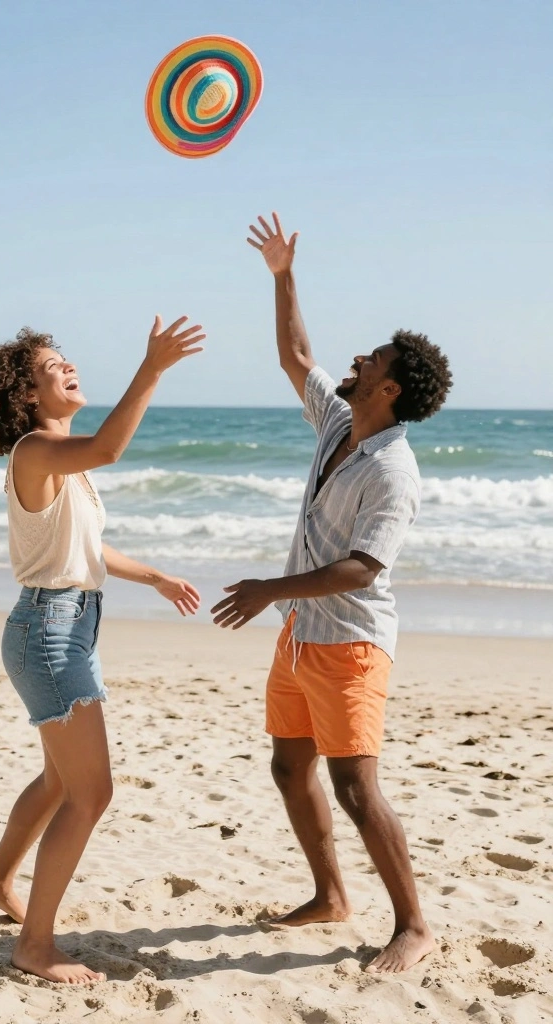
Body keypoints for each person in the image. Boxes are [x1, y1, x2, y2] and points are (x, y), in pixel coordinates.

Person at [211, 213, 453, 974]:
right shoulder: (338, 422)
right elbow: (296, 355)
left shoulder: (392, 470)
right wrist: (283, 274)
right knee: (289, 767)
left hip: (350, 642)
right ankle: (331, 896)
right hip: (301, 636)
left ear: (388, 387)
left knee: (356, 786)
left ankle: (414, 924)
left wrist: (264, 589)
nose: (357, 356)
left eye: (372, 356)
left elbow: (362, 569)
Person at [0, 316, 204, 984]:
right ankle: (35, 945)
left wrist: (152, 575)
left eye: (65, 358)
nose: (67, 367)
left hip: (66, 625)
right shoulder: (37, 450)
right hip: (49, 631)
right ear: (27, 395)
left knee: (61, 780)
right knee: (91, 792)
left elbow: (84, 549)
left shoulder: (60, 463)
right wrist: (151, 368)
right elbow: (111, 448)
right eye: (50, 366)